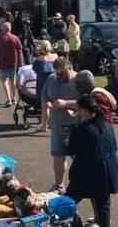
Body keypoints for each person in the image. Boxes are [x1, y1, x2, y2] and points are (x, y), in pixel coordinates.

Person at [65, 95, 118, 227]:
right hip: (107, 171)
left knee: (67, 201)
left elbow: (70, 150)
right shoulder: (107, 125)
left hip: (87, 173)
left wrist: (68, 141)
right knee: (104, 205)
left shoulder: (80, 128)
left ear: (83, 110)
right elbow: (114, 147)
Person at [41, 58, 77, 193]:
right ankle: (59, 185)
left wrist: (66, 103)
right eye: (57, 74)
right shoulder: (52, 78)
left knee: (80, 160)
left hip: (75, 128)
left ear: (70, 68)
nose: (59, 76)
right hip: (57, 126)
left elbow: (86, 103)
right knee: (58, 156)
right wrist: (48, 103)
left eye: (62, 74)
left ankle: (80, 186)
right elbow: (44, 95)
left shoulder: (80, 80)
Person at [0, 22, 23, 107]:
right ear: (10, 29)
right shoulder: (15, 38)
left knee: (4, 81)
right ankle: (14, 98)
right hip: (13, 63)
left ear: (3, 29)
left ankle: (8, 99)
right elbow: (20, 51)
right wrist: (20, 63)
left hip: (2, 63)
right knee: (12, 80)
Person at [32, 40, 58, 131]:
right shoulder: (56, 57)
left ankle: (44, 126)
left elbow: (35, 71)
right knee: (53, 105)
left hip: (43, 85)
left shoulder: (39, 60)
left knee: (45, 106)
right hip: (55, 85)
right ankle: (51, 124)